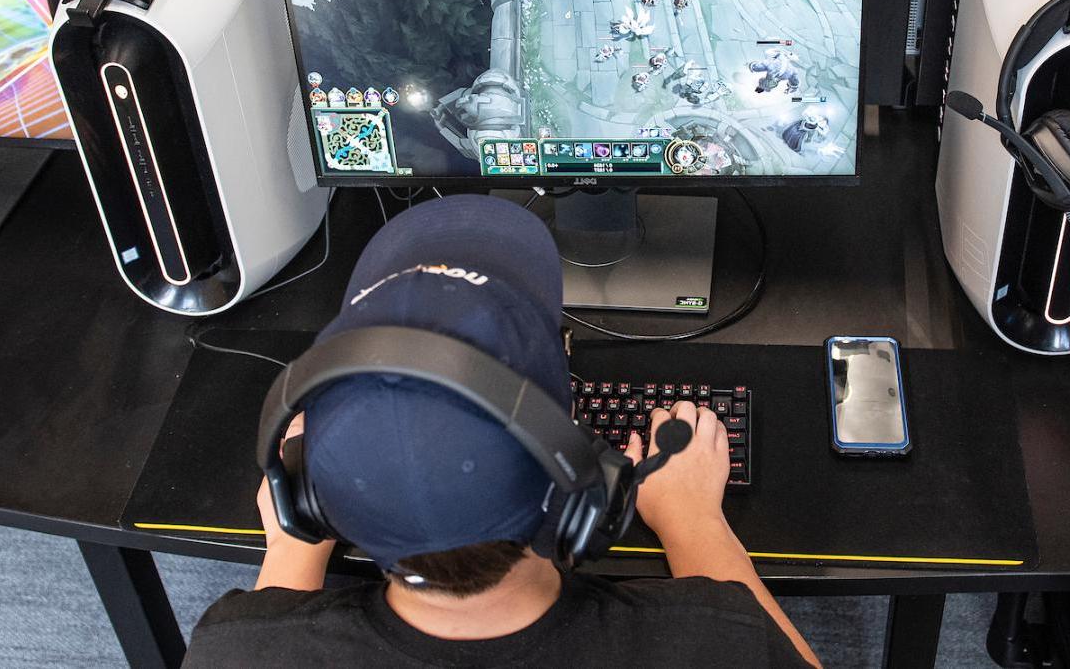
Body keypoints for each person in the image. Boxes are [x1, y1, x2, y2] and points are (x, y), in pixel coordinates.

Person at [186, 195, 819, 668]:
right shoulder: (713, 643)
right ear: (579, 490)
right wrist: (691, 521)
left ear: (307, 499)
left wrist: (291, 554)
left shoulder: (233, 650)